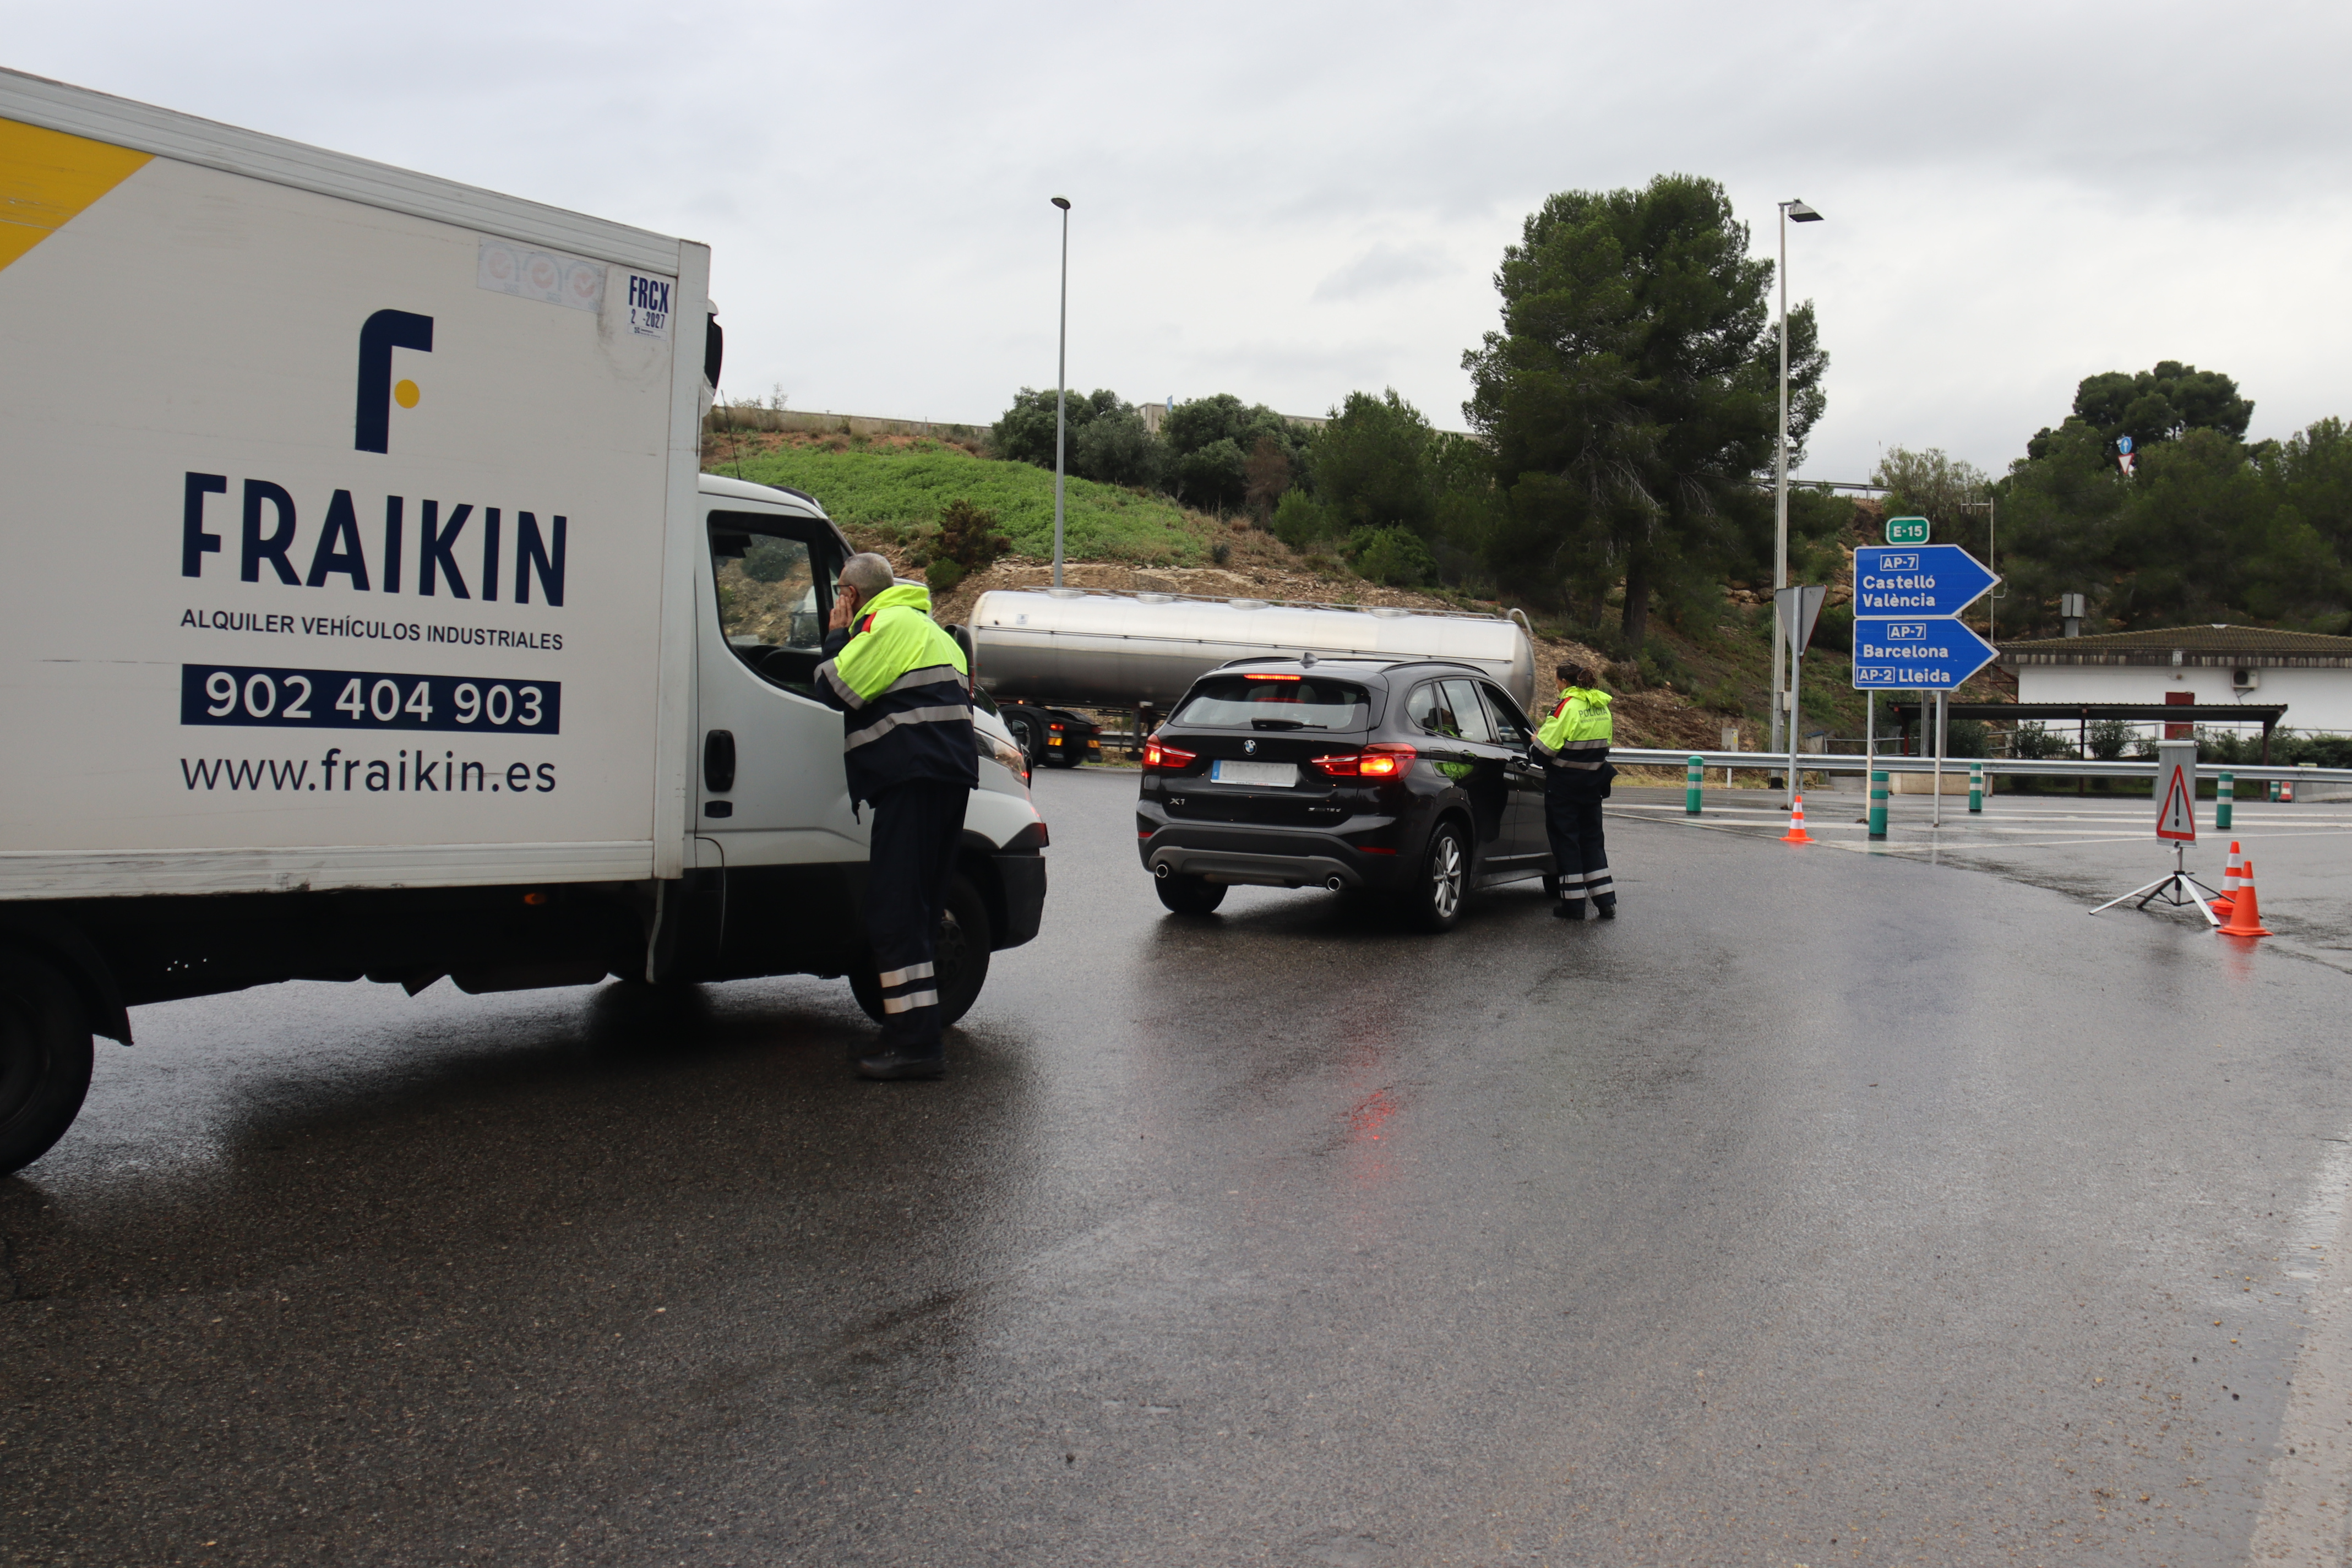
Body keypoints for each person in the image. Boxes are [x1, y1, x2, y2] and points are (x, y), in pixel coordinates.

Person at [812, 553, 978, 1080]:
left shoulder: (886, 624)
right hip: (944, 782)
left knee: (895, 910)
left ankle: (916, 1047)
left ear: (853, 596)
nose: (838, 603)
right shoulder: (929, 629)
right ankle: (906, 1029)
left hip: (914, 781)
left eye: (840, 593)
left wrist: (837, 638)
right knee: (920, 911)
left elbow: (835, 687)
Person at [1533, 662, 1616, 920]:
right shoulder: (1601, 706)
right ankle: (1605, 903)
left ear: (1566, 683)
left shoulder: (1565, 708)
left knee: (1567, 842)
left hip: (1565, 788)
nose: (1556, 686)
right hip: (1592, 785)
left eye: (1556, 681)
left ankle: (1573, 906)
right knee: (1593, 842)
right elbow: (1606, 745)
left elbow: (1541, 754)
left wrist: (1535, 742)